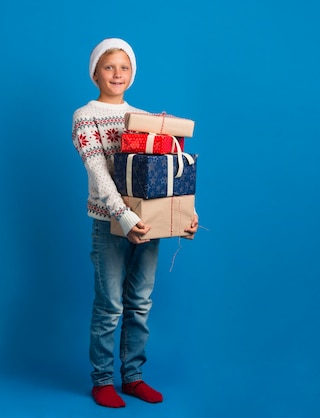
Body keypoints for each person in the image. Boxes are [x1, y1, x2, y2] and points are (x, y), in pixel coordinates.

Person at [71, 38, 198, 408]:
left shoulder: (143, 120)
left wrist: (185, 216)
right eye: (109, 67)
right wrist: (123, 216)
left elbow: (167, 175)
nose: (117, 74)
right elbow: (98, 171)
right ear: (95, 72)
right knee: (110, 304)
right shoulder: (85, 115)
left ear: (132, 74)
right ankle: (103, 381)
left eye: (124, 68)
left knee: (140, 302)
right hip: (109, 221)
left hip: (146, 223)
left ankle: (134, 377)